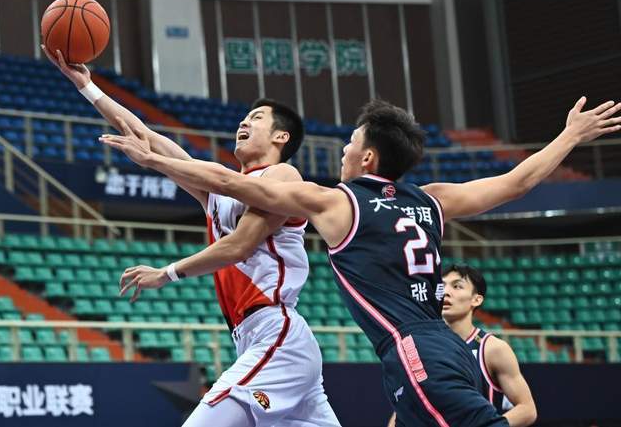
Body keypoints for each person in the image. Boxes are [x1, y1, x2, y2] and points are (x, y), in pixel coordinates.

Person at [102, 97, 621, 426]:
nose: (344, 152)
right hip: (437, 348)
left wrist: (152, 159)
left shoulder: (339, 203)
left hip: (414, 348)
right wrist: (570, 136)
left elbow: (229, 182)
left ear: (368, 157)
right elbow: (517, 183)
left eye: (350, 144)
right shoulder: (432, 199)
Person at [42, 46, 341, 427]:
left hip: (276, 334)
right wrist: (87, 87)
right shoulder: (219, 191)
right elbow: (146, 136)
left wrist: (166, 273)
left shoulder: (282, 176)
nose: (243, 122)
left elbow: (240, 245)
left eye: (256, 117)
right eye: (245, 117)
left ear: (281, 136)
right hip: (253, 337)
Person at [387, 264, 537, 427]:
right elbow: (406, 407)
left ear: (476, 299)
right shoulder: (421, 347)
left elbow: (527, 409)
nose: (446, 292)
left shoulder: (492, 349)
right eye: (442, 286)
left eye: (457, 286)